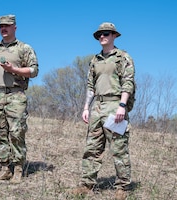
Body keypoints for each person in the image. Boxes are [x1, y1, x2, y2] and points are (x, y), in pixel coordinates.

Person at [71, 22, 135, 200]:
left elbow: (128, 83)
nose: (102, 36)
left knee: (119, 148)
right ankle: (86, 185)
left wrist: (122, 105)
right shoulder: (95, 60)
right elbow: (90, 85)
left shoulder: (123, 57)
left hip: (115, 106)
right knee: (91, 148)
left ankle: (122, 187)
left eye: (106, 33)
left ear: (114, 35)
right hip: (97, 108)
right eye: (99, 34)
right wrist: (86, 107)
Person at [0, 14, 39, 184]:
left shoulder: (24, 48)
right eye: (1, 26)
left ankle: (18, 169)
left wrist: (14, 70)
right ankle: (4, 168)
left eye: (7, 25)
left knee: (16, 132)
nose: (3, 28)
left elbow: (34, 71)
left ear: (15, 27)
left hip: (16, 94)